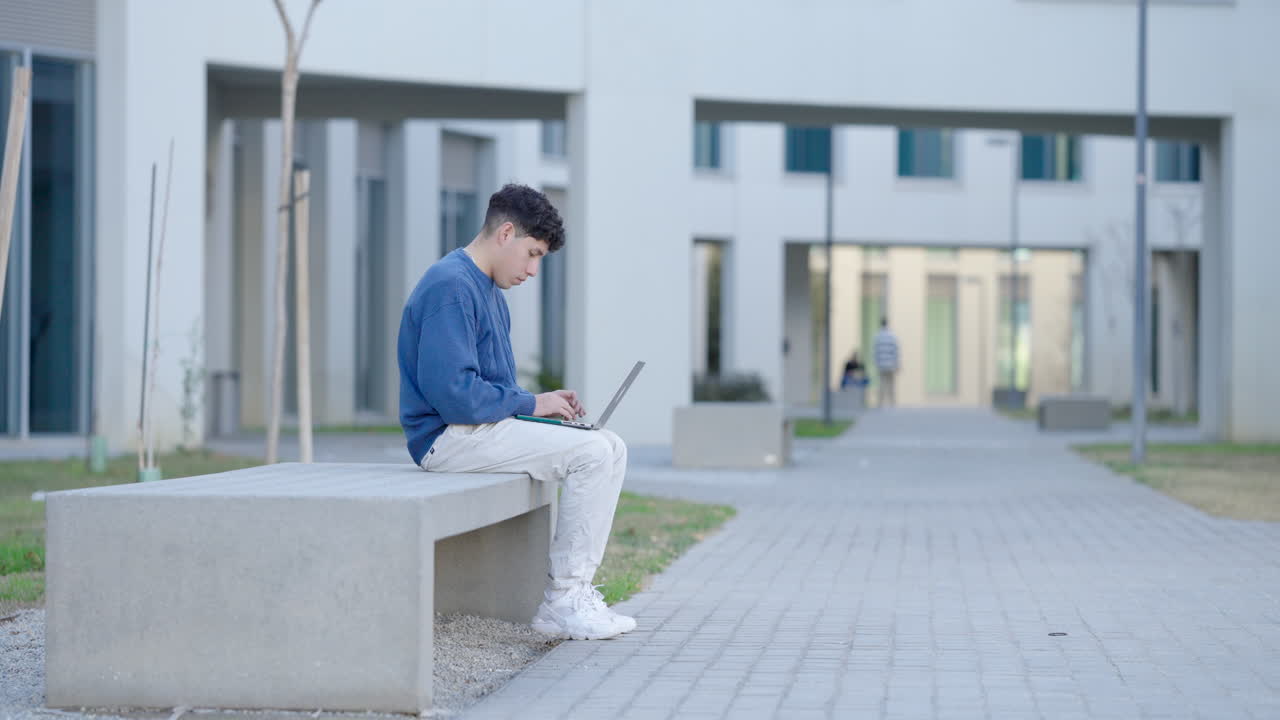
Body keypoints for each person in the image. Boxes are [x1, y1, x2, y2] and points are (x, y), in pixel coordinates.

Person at [397, 183, 634, 641]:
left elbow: (494, 390)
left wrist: (543, 412)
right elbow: (455, 396)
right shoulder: (450, 286)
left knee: (609, 444)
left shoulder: (487, 292)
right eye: (533, 253)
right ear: (506, 233)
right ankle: (564, 600)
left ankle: (574, 595)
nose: (532, 269)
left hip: (476, 430)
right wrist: (532, 403)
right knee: (594, 453)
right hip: (446, 439)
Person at [873, 318, 900, 408]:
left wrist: (876, 363)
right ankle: (892, 403)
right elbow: (896, 351)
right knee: (891, 384)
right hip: (891, 364)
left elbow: (875, 352)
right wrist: (897, 364)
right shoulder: (892, 336)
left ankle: (880, 403)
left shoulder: (877, 337)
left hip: (881, 364)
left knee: (882, 384)